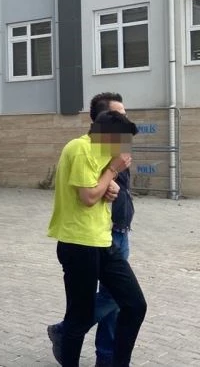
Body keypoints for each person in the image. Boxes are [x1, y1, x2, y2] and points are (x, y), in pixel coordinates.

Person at [47, 110, 146, 367]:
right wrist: (112, 170)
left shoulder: (104, 153)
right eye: (123, 141)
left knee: (135, 305)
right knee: (78, 318)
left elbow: (103, 189)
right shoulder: (80, 149)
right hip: (78, 243)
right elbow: (88, 197)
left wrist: (111, 186)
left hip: (102, 241)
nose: (125, 148)